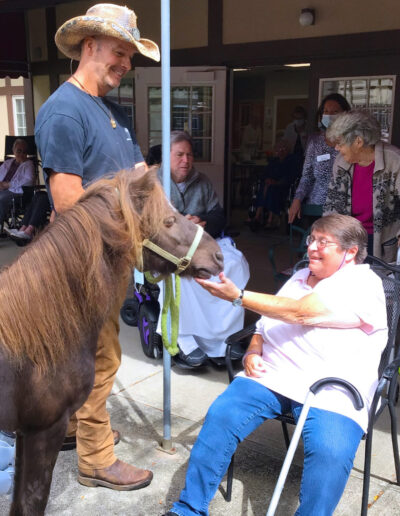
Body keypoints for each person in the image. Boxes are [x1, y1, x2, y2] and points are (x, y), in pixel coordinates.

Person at [164, 214, 388, 516]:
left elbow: (302, 313)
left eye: (323, 242)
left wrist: (238, 297)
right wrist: (253, 350)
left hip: (334, 388)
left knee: (330, 452)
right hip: (273, 374)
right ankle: (188, 509)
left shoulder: (363, 282)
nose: (311, 248)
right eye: (311, 239)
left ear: (349, 253)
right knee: (222, 415)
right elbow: (264, 323)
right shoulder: (299, 277)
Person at [35, 3, 159, 490]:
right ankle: (96, 460)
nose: (126, 64)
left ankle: (73, 428)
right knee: (101, 357)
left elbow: (133, 176)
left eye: (130, 55)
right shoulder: (64, 110)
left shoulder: (111, 110)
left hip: (111, 258)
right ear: (90, 46)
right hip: (85, 263)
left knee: (77, 354)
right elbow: (67, 201)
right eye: (120, 53)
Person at [157, 131, 250, 368]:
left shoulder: (202, 181)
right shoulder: (153, 184)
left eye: (189, 155)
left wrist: (204, 221)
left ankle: (222, 340)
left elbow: (219, 215)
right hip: (168, 248)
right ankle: (186, 340)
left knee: (234, 264)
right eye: (179, 155)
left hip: (203, 242)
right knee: (184, 273)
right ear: (166, 156)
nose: (185, 160)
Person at [323, 110, 400, 261]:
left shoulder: (394, 160)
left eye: (340, 143)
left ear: (358, 142)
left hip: (383, 241)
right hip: (349, 238)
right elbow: (332, 205)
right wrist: (326, 236)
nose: (336, 148)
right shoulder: (340, 162)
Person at [288, 93, 351, 224]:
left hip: (345, 210)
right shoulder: (316, 143)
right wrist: (297, 199)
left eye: (335, 111)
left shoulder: (352, 142)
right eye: (326, 111)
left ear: (345, 114)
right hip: (316, 209)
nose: (329, 115)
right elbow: (307, 176)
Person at [250, 139, 302, 228]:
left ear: (286, 150)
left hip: (283, 187)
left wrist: (277, 182)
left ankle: (268, 218)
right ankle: (258, 216)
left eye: (281, 149)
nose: (279, 151)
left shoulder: (291, 160)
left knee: (271, 189)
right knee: (264, 187)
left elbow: (291, 176)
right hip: (270, 185)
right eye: (277, 149)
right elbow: (265, 173)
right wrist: (267, 179)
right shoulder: (274, 161)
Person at [0, 138, 35, 230]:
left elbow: (29, 180)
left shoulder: (29, 164)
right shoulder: (7, 163)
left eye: (24, 152)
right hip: (2, 189)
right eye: (19, 151)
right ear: (13, 151)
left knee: (1, 198)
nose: (22, 154)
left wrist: (8, 185)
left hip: (17, 192)